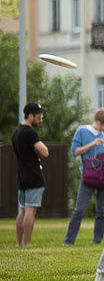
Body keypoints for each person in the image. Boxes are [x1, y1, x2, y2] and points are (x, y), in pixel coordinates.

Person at [65, 107, 104, 245]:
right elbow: (75, 152)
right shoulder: (82, 131)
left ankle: (97, 241)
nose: (103, 127)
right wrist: (92, 144)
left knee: (101, 212)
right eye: (101, 124)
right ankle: (69, 241)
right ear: (96, 120)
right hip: (88, 176)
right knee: (80, 209)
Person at [12, 103, 48, 247]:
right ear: (31, 116)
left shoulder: (17, 132)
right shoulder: (29, 132)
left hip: (21, 177)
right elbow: (45, 151)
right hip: (33, 177)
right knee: (30, 210)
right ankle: (27, 243)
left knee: (22, 210)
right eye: (39, 116)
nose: (42, 118)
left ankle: (18, 243)